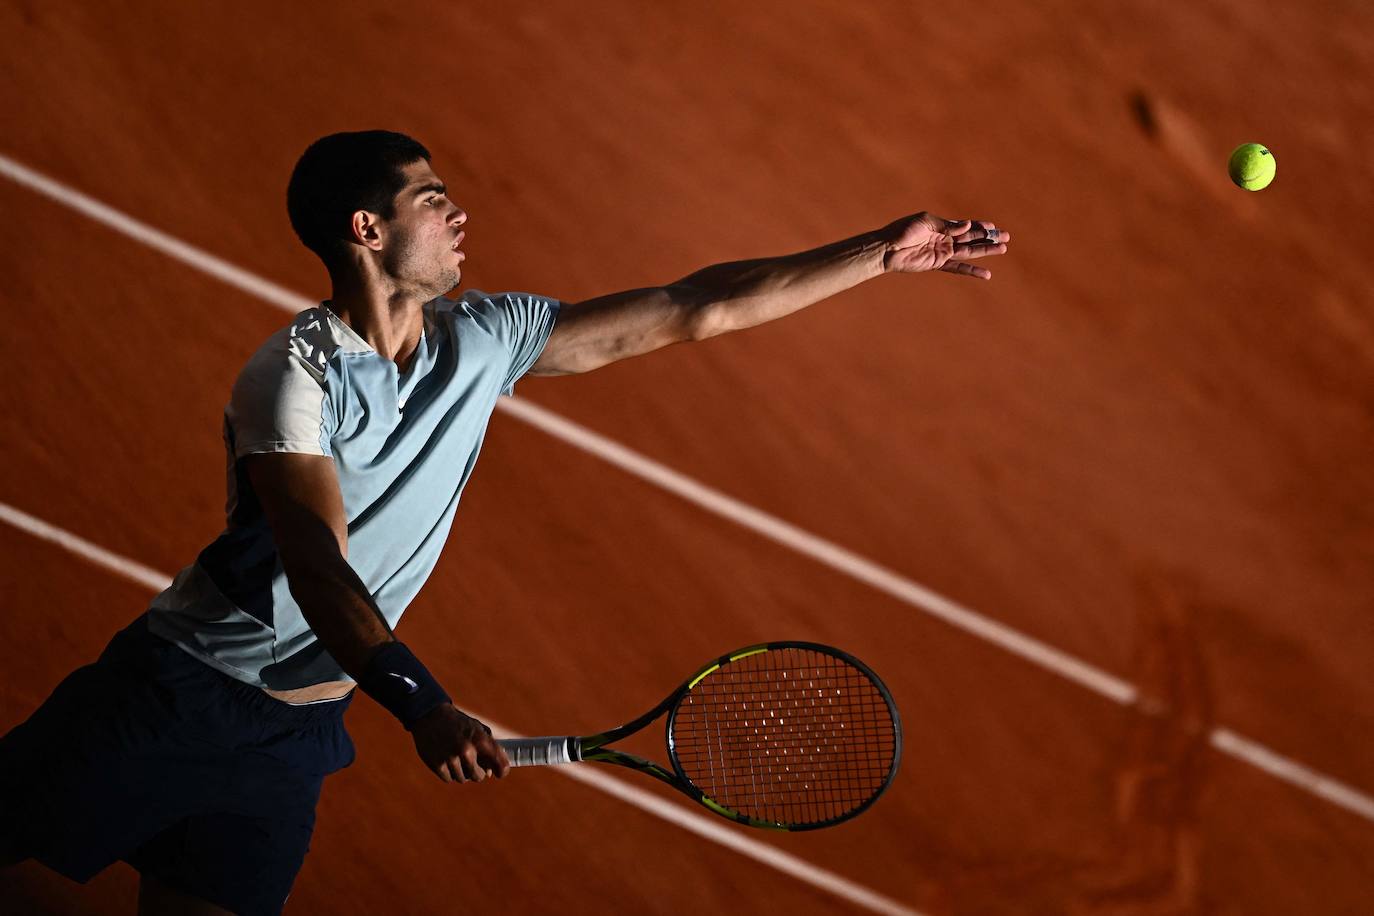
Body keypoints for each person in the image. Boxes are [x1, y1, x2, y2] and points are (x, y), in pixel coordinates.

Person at [0, 129, 1010, 915]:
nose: (457, 216)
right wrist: (422, 702)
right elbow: (317, 565)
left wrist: (879, 253)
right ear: (368, 229)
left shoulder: (485, 339)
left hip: (296, 741)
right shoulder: (293, 376)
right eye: (432, 201)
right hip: (176, 696)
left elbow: (693, 307)